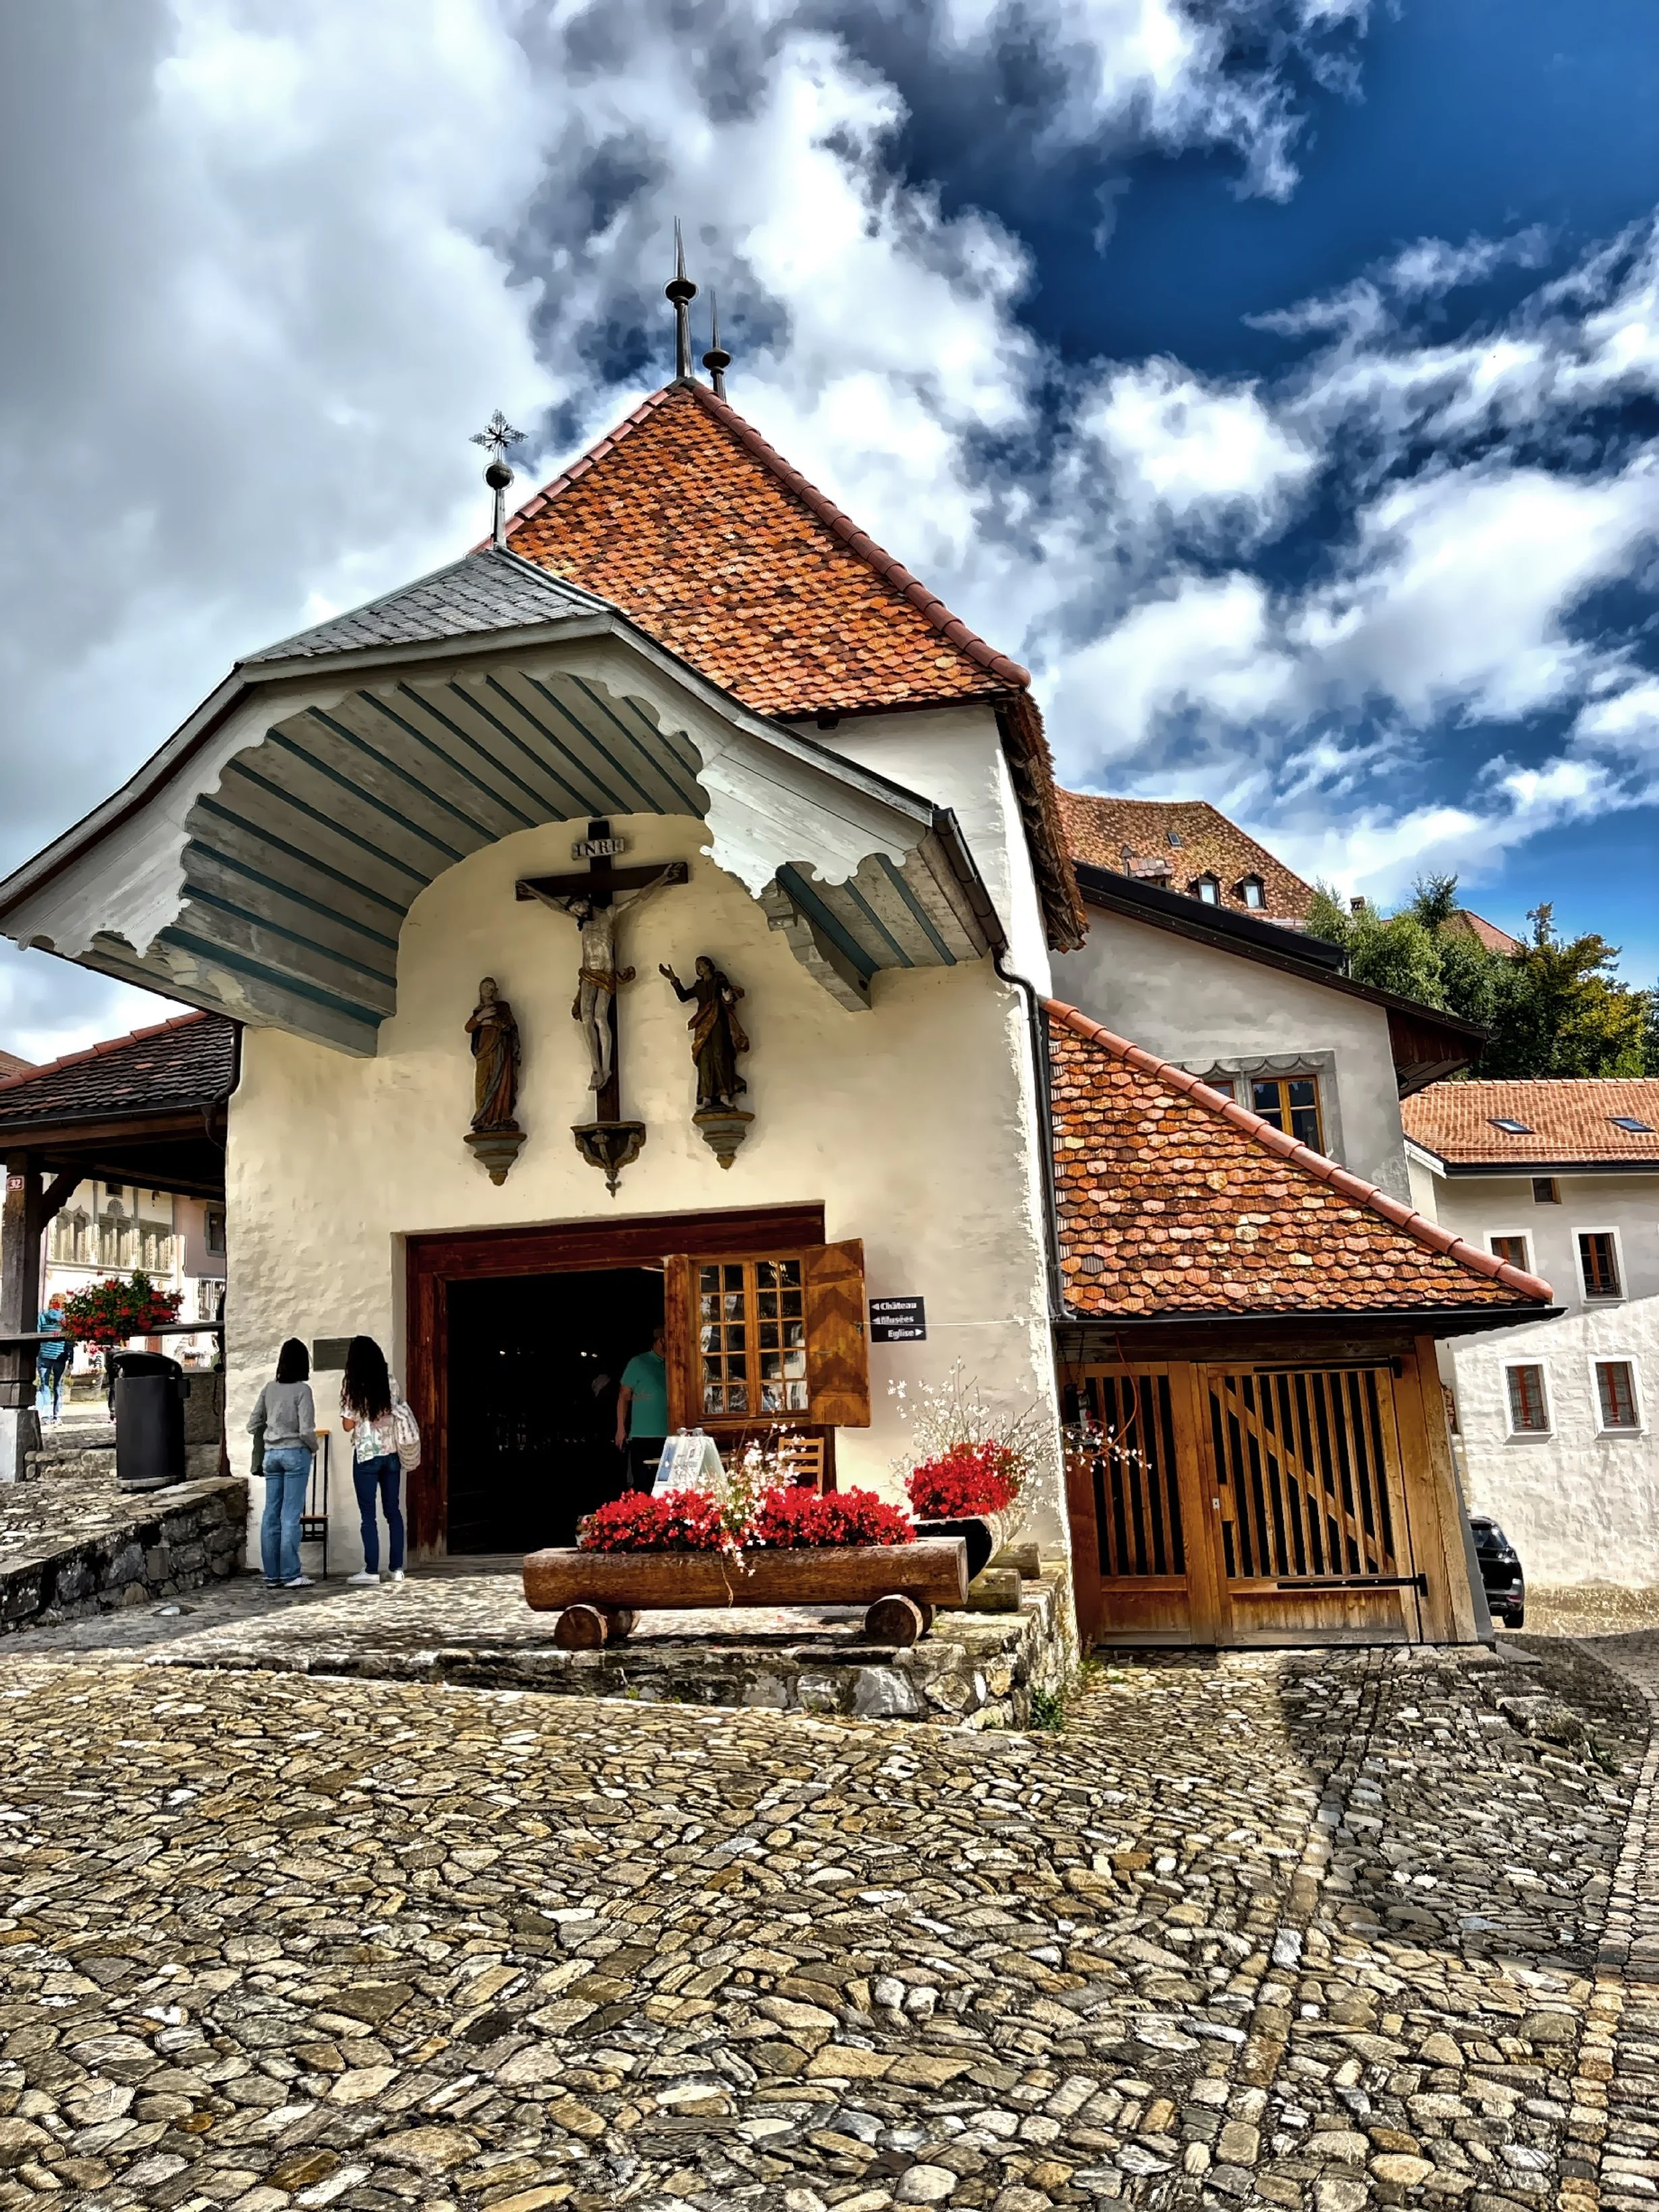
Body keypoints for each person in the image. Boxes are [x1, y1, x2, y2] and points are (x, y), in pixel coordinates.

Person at [248, 1339, 318, 1591]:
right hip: (295, 1454)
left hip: (271, 1456)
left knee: (271, 1514)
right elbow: (306, 1429)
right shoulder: (302, 1391)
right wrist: (314, 1447)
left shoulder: (269, 1389)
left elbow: (252, 1424)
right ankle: (291, 1574)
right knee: (290, 1515)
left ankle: (272, 1575)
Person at [338, 1334, 406, 1588]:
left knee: (369, 1514)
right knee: (393, 1511)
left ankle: (371, 1570)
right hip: (391, 1453)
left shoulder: (354, 1385)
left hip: (367, 1454)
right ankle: (396, 1569)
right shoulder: (391, 1381)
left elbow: (347, 1425)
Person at [616, 1324, 668, 1491]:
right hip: (643, 1436)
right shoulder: (639, 1363)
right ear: (661, 1341)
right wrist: (620, 1429)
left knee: (667, 1487)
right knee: (643, 1487)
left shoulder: (675, 1364)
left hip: (671, 1436)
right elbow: (624, 1396)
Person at [36, 1298, 69, 1422]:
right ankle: (57, 1415)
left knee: (45, 1386)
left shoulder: (43, 1317)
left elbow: (38, 1334)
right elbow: (69, 1340)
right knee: (58, 1386)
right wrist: (71, 1358)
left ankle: (46, 1415)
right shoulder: (65, 1319)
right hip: (60, 1355)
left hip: (44, 1354)